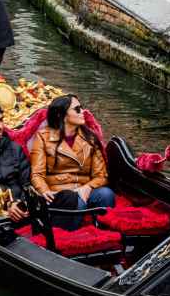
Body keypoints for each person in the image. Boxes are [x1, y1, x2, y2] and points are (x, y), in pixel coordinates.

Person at [30, 95, 115, 230]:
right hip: (58, 194)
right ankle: (71, 237)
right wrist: (44, 190)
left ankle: (105, 232)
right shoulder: (43, 137)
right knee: (76, 200)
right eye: (77, 109)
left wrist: (88, 187)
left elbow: (101, 175)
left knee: (106, 194)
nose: (83, 112)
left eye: (81, 108)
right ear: (61, 115)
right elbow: (37, 174)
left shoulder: (90, 138)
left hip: (84, 189)